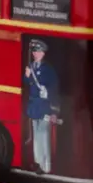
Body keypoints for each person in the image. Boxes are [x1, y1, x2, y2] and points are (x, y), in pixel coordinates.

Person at [24, 38, 59, 174]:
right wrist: (27, 76)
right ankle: (38, 163)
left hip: (45, 106)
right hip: (34, 106)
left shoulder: (48, 69)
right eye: (34, 51)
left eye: (38, 51)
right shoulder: (31, 67)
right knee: (36, 138)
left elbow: (54, 88)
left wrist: (54, 110)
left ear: (43, 53)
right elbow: (27, 83)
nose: (35, 54)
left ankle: (46, 166)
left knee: (44, 136)